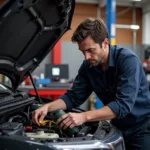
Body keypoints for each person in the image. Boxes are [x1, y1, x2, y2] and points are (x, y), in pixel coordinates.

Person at [32, 18, 150, 150]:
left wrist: (84, 116)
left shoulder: (128, 60)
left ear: (105, 43)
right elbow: (73, 97)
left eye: (91, 50)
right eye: (83, 52)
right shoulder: (88, 66)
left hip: (142, 128)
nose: (86, 57)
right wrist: (47, 107)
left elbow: (122, 105)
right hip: (117, 127)